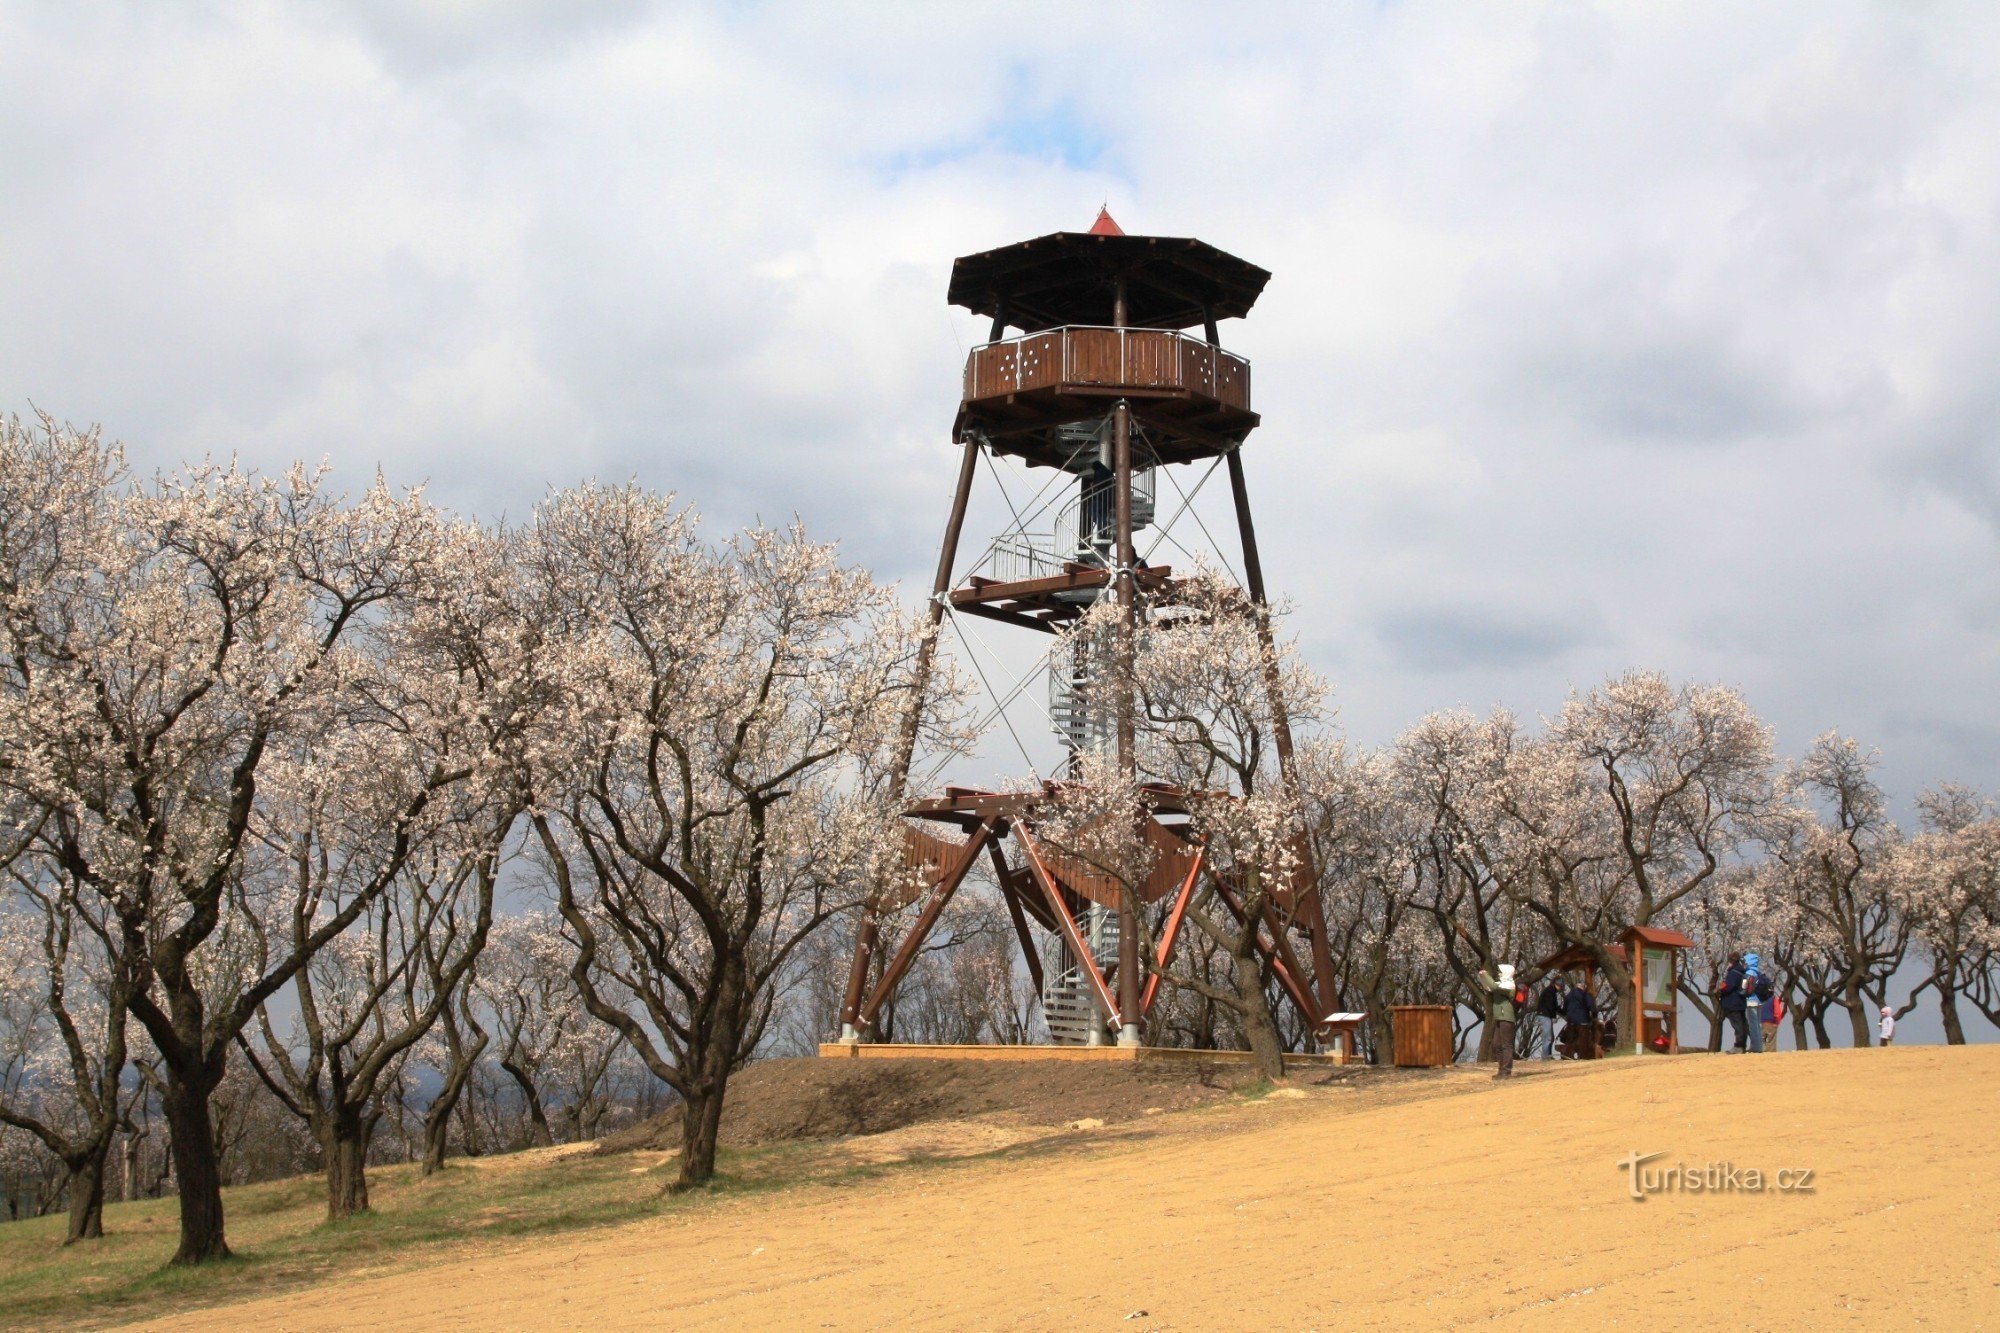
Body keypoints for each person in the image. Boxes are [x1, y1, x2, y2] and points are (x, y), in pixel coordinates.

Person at [1475, 962, 1521, 1078]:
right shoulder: (1502, 984)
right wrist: (1481, 976)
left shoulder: (1509, 985)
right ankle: (1501, 1070)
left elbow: (1494, 987)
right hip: (1499, 1017)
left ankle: (1506, 1071)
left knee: (1506, 1045)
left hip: (1506, 1017)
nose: (1499, 974)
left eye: (1501, 972)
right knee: (1496, 1044)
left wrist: (1486, 975)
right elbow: (1489, 986)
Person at [1719, 953, 1749, 1053]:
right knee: (1742, 1024)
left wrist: (1721, 989)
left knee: (1737, 1025)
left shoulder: (1734, 972)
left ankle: (1738, 1046)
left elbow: (1729, 987)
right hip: (1740, 1002)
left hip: (1732, 1002)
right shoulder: (1741, 972)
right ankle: (1742, 1045)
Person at [1562, 980, 1598, 1058]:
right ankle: (1583, 1057)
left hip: (1571, 1021)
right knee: (1583, 1041)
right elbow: (1592, 1007)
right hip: (1583, 1021)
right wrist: (1594, 1016)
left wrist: (1568, 1016)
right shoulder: (1586, 995)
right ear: (1583, 986)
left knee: (1570, 1040)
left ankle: (1567, 1056)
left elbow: (1564, 1009)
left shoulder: (1568, 995)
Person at [1533, 977, 1563, 1060]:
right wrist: (1553, 1016)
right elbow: (1550, 1006)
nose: (1560, 988)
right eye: (1560, 986)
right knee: (1548, 1037)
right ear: (1555, 984)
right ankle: (1545, 1057)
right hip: (1545, 1015)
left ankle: (1548, 1055)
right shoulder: (1550, 992)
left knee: (1550, 1037)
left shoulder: (1551, 991)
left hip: (1545, 1015)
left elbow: (1555, 1006)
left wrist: (1563, 1012)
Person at [1757, 976, 1780, 1052]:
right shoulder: (1774, 999)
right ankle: (1770, 1055)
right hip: (1771, 1022)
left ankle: (1760, 1052)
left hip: (1761, 1022)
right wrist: (1777, 1022)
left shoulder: (1761, 1000)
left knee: (1761, 1041)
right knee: (1771, 1041)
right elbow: (1777, 1012)